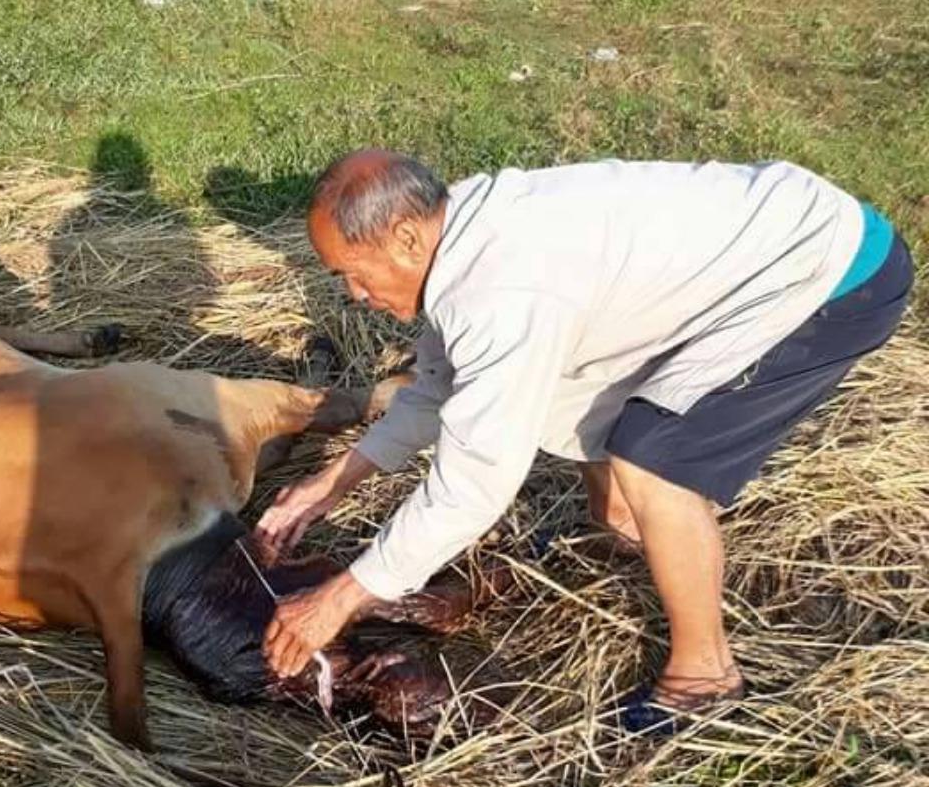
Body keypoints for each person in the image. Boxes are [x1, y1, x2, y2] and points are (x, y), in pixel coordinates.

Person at [257, 151, 913, 729]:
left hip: (828, 277)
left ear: (405, 235)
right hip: (756, 254)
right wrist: (332, 481)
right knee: (566, 395)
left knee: (654, 458)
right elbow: (437, 387)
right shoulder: (462, 238)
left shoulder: (503, 291)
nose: (356, 295)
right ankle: (622, 524)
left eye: (353, 273)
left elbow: (474, 485)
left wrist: (342, 596)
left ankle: (706, 674)